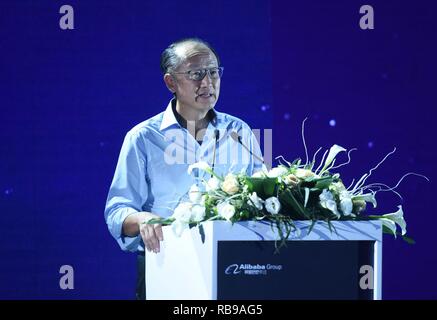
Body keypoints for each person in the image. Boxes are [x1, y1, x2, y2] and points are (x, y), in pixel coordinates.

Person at [104, 38, 265, 299]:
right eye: (195, 74)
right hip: (167, 265)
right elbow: (117, 211)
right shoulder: (143, 138)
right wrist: (144, 219)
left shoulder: (240, 132)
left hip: (232, 267)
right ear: (171, 83)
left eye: (213, 72)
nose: (207, 82)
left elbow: (263, 197)